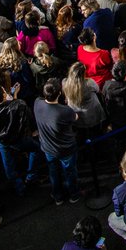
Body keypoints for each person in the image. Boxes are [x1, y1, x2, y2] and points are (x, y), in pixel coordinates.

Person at [34, 77, 82, 205]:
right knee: (70, 172)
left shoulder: (37, 104)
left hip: (48, 148)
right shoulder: (64, 111)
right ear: (60, 93)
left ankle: (58, 196)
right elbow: (76, 117)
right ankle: (74, 194)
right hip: (66, 149)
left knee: (53, 173)